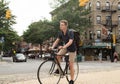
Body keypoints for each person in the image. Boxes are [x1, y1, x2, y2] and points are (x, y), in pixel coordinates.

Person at [51, 20, 76, 84]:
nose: (60, 26)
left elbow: (70, 42)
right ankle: (60, 71)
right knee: (57, 56)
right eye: (60, 25)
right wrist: (52, 47)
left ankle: (72, 80)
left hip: (72, 49)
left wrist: (63, 47)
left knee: (71, 65)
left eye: (62, 25)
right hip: (66, 47)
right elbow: (57, 40)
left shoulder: (70, 32)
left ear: (66, 26)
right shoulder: (61, 33)